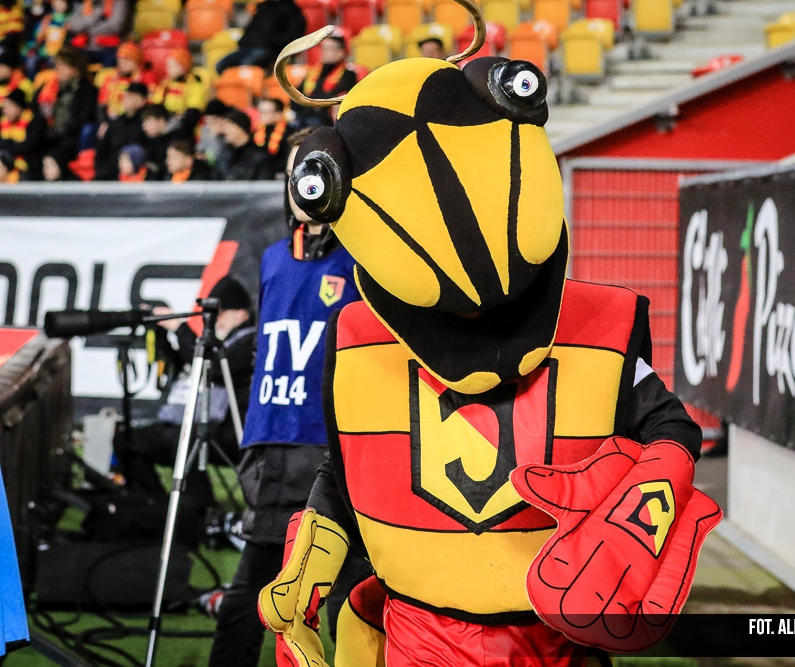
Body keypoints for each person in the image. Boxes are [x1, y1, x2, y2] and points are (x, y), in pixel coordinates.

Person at [260, 41, 719, 667]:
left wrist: (640, 510)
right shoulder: (359, 336)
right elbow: (347, 470)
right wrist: (309, 557)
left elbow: (669, 427)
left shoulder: (597, 325)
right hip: (418, 637)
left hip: (553, 639)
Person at [207, 129, 367, 667]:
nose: (303, 182)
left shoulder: (359, 260)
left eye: (314, 169)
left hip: (328, 448)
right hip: (270, 445)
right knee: (252, 594)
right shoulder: (274, 257)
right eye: (295, 171)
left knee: (347, 595)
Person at [114, 276, 256, 525]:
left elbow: (212, 367)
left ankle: (198, 514)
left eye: (220, 312)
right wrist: (163, 337)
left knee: (185, 438)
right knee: (127, 439)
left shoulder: (252, 340)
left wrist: (179, 328)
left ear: (241, 313)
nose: (215, 319)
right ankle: (155, 507)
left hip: (232, 430)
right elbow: (187, 367)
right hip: (194, 420)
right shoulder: (220, 339)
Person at [35, 45, 97, 173]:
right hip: (52, 135)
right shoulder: (54, 88)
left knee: (51, 159)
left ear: (75, 69)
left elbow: (83, 117)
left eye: (62, 66)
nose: (57, 70)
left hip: (72, 137)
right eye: (57, 66)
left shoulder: (86, 90)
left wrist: (62, 130)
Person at [214, 0, 304, 74]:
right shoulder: (263, 9)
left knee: (246, 65)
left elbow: (292, 38)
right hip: (249, 48)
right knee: (221, 65)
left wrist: (271, 41)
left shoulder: (293, 12)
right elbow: (250, 31)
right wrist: (244, 41)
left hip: (273, 51)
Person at [290, 31, 357, 128]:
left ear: (341, 52)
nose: (324, 52)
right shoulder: (312, 73)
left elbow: (334, 98)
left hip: (326, 120)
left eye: (329, 49)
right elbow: (297, 96)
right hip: (305, 116)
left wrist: (311, 103)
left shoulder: (349, 74)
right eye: (323, 48)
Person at [94, 81, 145, 180]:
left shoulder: (145, 124)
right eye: (126, 96)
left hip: (134, 175)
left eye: (132, 97)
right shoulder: (114, 123)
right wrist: (101, 170)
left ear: (142, 100)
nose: (126, 100)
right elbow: (102, 151)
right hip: (109, 171)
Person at [149, 48, 207, 131]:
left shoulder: (194, 84)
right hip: (166, 121)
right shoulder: (166, 83)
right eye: (168, 66)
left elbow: (193, 111)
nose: (168, 69)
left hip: (185, 126)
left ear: (183, 66)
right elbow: (156, 104)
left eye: (172, 66)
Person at [94, 41, 154, 120]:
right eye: (120, 61)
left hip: (135, 118)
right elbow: (102, 104)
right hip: (111, 119)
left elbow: (150, 101)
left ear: (135, 61)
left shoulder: (146, 77)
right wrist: (104, 121)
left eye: (126, 61)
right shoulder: (111, 78)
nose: (121, 64)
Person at [212, 108, 272, 181]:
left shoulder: (260, 156)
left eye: (229, 126)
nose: (224, 131)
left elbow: (264, 182)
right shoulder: (223, 154)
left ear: (240, 128)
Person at [0, 88, 46, 179]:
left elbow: (28, 146)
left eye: (7, 107)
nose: (4, 111)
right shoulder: (3, 121)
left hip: (29, 167)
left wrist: (8, 143)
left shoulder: (35, 121)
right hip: (7, 164)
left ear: (17, 107)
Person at [20, 0, 69, 74]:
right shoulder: (46, 19)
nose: (59, 5)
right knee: (31, 61)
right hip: (43, 50)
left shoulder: (70, 20)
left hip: (60, 51)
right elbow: (37, 37)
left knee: (53, 62)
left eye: (62, 2)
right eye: (57, 2)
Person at [252, 96, 287, 172]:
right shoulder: (256, 132)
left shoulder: (288, 132)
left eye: (266, 112)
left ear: (279, 114)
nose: (261, 115)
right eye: (260, 112)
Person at [139, 102, 171, 180]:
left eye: (147, 122)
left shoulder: (178, 138)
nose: (144, 127)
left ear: (161, 121)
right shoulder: (150, 141)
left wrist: (157, 168)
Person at [196, 98, 228, 168]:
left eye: (214, 122)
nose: (210, 126)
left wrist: (218, 136)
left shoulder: (228, 135)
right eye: (207, 121)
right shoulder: (205, 129)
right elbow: (200, 148)